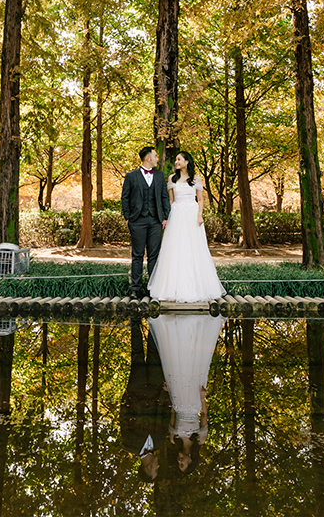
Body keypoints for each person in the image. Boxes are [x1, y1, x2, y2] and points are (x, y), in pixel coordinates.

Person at [147, 314, 224, 473]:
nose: (179, 461)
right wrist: (203, 398)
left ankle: (178, 330)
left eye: (178, 463)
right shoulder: (200, 439)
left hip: (178, 397)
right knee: (193, 365)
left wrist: (170, 391)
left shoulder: (173, 438)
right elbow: (203, 416)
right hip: (195, 400)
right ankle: (193, 330)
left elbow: (173, 411)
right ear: (191, 460)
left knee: (178, 363)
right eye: (182, 464)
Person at [147, 150, 226, 303]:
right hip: (177, 214)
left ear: (186, 161)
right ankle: (172, 288)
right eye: (176, 159)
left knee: (194, 248)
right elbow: (170, 201)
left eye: (179, 159)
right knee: (175, 249)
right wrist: (168, 217)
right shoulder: (172, 178)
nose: (176, 162)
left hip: (191, 213)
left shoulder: (196, 178)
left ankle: (197, 287)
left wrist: (200, 214)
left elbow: (201, 199)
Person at [119, 318, 171, 483]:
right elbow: (165, 415)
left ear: (147, 468)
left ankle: (134, 320)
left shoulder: (129, 445)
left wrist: (127, 397)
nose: (158, 465)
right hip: (156, 390)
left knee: (137, 355)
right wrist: (165, 394)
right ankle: (153, 320)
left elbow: (124, 419)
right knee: (155, 354)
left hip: (137, 392)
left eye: (156, 469)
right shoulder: (160, 441)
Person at [121, 146, 171, 299]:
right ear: (148, 158)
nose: (158, 158)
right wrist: (128, 217)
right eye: (155, 156)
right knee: (137, 255)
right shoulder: (131, 176)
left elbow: (164, 198)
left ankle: (153, 289)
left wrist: (166, 217)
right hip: (137, 221)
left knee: (154, 256)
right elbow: (125, 197)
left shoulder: (159, 176)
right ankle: (135, 289)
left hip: (155, 221)